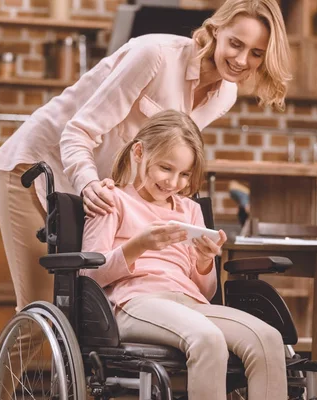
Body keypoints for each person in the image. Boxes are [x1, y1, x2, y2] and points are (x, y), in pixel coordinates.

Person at [0, 0, 291, 313]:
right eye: (236, 44)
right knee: (43, 308)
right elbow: (78, 131)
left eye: (256, 53)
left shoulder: (225, 94)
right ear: (216, 31)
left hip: (96, 197)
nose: (241, 59)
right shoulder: (155, 55)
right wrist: (88, 183)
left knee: (80, 313)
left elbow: (165, 150)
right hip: (37, 171)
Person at [81, 109, 288, 400]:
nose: (173, 182)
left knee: (268, 339)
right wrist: (138, 245)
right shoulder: (112, 200)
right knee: (207, 338)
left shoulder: (190, 210)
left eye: (184, 174)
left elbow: (207, 291)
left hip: (190, 303)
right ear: (139, 152)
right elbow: (89, 275)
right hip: (134, 303)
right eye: (166, 168)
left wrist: (205, 261)